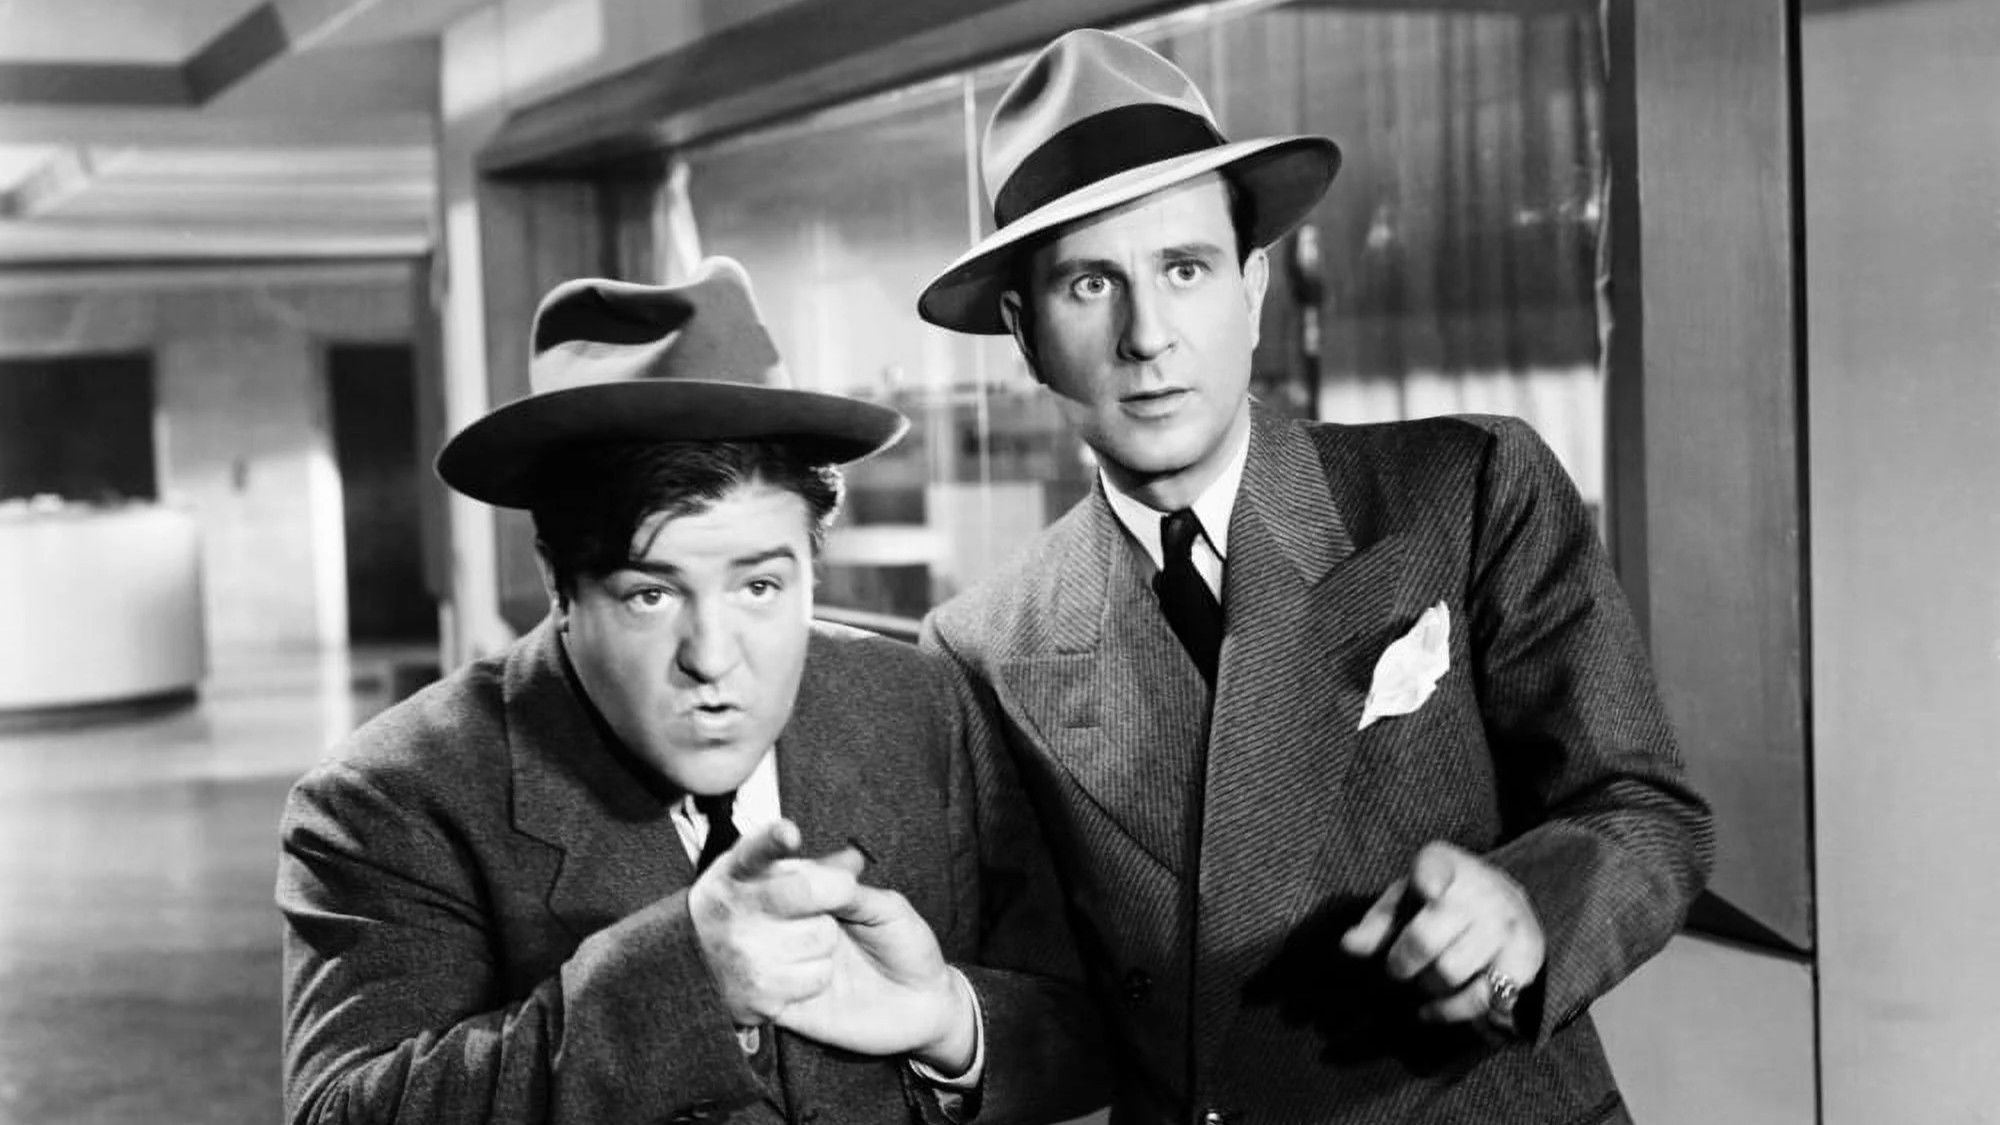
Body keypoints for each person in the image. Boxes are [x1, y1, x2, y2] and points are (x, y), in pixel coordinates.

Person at [916, 28, 1714, 1125]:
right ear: (1024, 334)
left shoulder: (1464, 489)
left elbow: (1642, 808)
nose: (1147, 336)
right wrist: (945, 1027)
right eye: (1091, 283)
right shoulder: (983, 644)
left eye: (1185, 269)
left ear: (1251, 291)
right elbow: (1063, 1018)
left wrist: (1525, 915)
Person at [277, 258, 1102, 1125]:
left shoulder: (921, 705)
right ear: (558, 585)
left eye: (760, 587)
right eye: (651, 595)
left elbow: (1097, 1028)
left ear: (813, 567)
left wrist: (949, 1022)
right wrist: (682, 983)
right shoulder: (391, 798)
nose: (712, 658)